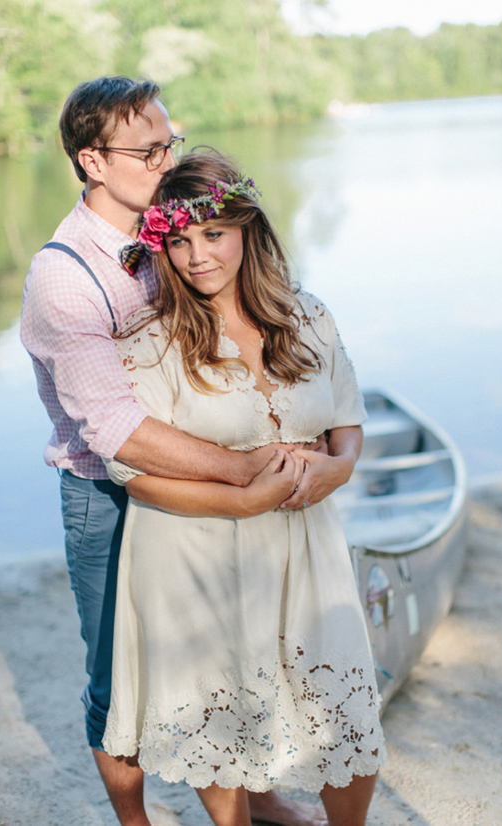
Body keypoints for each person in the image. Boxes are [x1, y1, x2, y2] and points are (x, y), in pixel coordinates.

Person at [21, 77, 328, 826]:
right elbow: (117, 430)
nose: (166, 159)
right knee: (118, 674)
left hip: (215, 470)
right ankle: (136, 822)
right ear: (93, 161)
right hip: (111, 497)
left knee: (231, 645)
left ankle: (259, 797)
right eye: (147, 148)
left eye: (171, 141)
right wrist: (243, 470)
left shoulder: (180, 228)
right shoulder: (63, 276)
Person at [102, 150, 386, 826]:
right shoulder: (151, 340)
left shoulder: (308, 315)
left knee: (346, 719)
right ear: (161, 248)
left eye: (213, 234)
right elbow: (133, 471)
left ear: (248, 229)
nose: (198, 256)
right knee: (221, 724)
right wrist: (242, 495)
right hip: (195, 551)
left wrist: (336, 469)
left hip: (306, 546)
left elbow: (348, 421)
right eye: (179, 241)